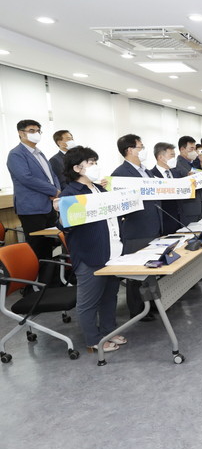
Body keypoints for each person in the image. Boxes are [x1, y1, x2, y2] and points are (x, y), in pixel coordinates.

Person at [58, 146, 124, 353]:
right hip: (90, 255)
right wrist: (61, 211)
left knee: (109, 296)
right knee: (89, 301)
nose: (95, 166)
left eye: (95, 162)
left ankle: (108, 330)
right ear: (77, 168)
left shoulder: (98, 188)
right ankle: (93, 340)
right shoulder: (70, 193)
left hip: (111, 250)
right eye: (91, 163)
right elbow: (64, 225)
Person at [111, 134, 162, 322]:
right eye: (141, 147)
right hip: (136, 227)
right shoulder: (120, 173)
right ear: (130, 150)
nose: (143, 150)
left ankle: (153, 303)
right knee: (136, 273)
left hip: (153, 224)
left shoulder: (146, 171)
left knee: (152, 269)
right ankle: (137, 309)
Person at [6, 120, 61, 280]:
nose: (36, 133)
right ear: (21, 133)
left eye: (38, 130)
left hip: (48, 206)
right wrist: (53, 190)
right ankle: (34, 285)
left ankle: (51, 281)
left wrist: (57, 190)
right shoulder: (16, 154)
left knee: (50, 245)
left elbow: (52, 175)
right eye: (32, 130)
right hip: (32, 208)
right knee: (37, 247)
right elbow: (26, 178)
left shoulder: (39, 153)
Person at [150, 142, 183, 235]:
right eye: (171, 155)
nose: (174, 159)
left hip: (179, 219)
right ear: (160, 157)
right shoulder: (151, 175)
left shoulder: (176, 172)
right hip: (163, 221)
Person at [173, 135, 202, 225]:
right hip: (188, 208)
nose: (194, 152)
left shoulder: (192, 163)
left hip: (198, 206)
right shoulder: (178, 165)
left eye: (195, 149)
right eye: (191, 149)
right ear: (182, 149)